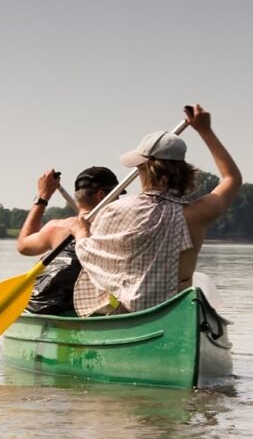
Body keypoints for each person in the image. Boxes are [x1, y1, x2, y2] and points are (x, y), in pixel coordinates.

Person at [70, 104, 241, 315]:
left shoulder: (115, 210)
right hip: (178, 314)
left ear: (144, 170)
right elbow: (232, 178)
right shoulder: (198, 213)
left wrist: (81, 234)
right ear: (184, 170)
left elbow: (92, 257)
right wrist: (205, 131)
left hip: (133, 314)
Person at [16, 165, 120, 315]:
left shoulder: (55, 227)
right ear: (102, 196)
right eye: (117, 196)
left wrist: (43, 196)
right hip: (75, 315)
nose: (118, 202)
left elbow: (23, 246)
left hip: (33, 311)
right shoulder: (116, 228)